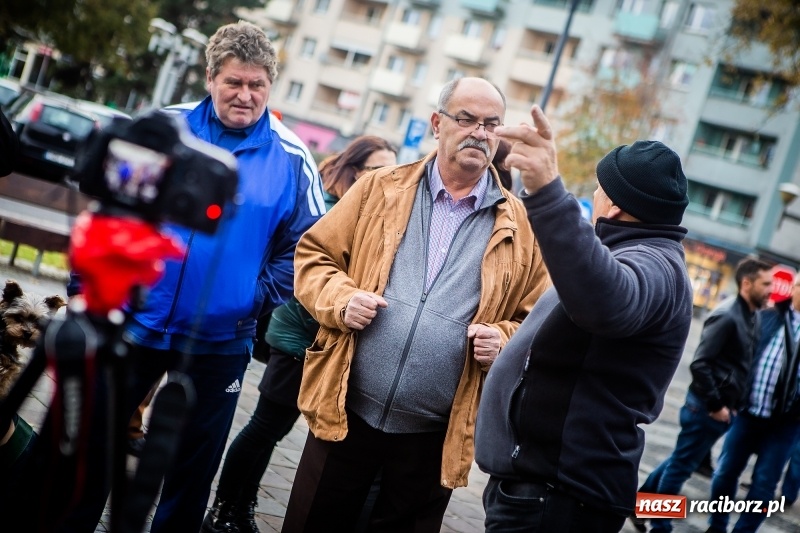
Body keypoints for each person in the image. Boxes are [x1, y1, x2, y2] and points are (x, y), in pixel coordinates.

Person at [13, 21, 325, 533]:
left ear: (270, 84)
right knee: (92, 450)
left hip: (220, 341)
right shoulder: (165, 129)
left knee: (189, 472)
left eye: (257, 84)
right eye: (233, 82)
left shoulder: (292, 158)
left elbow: (307, 244)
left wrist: (254, 296)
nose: (245, 95)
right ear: (209, 78)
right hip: (131, 323)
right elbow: (107, 212)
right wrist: (82, 293)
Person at [282, 77, 550, 532]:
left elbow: (536, 320)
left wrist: (504, 338)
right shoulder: (380, 188)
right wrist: (342, 299)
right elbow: (313, 256)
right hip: (345, 411)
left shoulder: (522, 227)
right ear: (436, 123)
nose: (479, 133)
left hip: (435, 437)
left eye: (491, 124)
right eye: (466, 119)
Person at [474, 105, 694, 532]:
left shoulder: (658, 267)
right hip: (543, 491)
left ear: (612, 205)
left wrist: (546, 191)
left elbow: (605, 302)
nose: (593, 196)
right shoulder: (619, 254)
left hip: (560, 501)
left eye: (598, 189)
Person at [201, 135, 397, 533]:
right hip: (298, 339)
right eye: (377, 169)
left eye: (390, 170)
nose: (385, 177)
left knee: (272, 431)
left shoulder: (365, 208)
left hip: (313, 341)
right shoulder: (332, 208)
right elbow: (311, 272)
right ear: (355, 169)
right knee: (263, 428)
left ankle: (241, 508)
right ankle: (221, 511)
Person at [633, 257, 774, 533]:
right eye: (765, 283)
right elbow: (700, 363)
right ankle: (660, 526)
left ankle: (639, 504)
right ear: (747, 283)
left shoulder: (752, 314)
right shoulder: (727, 315)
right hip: (705, 409)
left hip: (721, 409)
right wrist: (717, 405)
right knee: (680, 468)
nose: (771, 289)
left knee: (680, 459)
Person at [707, 273, 800, 533]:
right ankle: (717, 525)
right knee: (725, 473)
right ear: (794, 288)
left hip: (786, 423)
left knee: (764, 485)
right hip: (748, 412)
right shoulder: (768, 316)